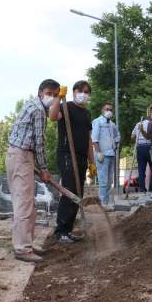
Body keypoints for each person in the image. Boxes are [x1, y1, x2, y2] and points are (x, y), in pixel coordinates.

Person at [6, 79, 59, 262]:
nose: (51, 97)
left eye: (55, 94)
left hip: (19, 155)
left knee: (29, 204)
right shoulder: (38, 111)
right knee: (24, 204)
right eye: (49, 93)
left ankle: (26, 243)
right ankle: (22, 249)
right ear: (40, 92)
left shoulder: (32, 105)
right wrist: (43, 169)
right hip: (21, 156)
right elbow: (40, 142)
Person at [49, 80, 96, 242]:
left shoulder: (87, 113)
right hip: (67, 155)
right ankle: (60, 231)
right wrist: (57, 98)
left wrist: (92, 162)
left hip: (82, 157)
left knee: (78, 194)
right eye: (80, 91)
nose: (83, 94)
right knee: (70, 192)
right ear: (74, 92)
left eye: (86, 92)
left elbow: (89, 140)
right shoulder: (66, 106)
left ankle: (67, 230)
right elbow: (53, 117)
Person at [92, 103, 120, 208]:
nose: (109, 111)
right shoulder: (97, 122)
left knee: (109, 181)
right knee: (103, 181)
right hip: (102, 155)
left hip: (111, 154)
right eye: (107, 109)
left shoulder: (112, 124)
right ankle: (103, 202)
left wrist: (116, 146)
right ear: (102, 110)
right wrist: (98, 152)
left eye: (111, 110)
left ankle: (107, 201)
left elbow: (117, 136)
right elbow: (94, 139)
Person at [131, 118, 152, 194]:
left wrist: (138, 137)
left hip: (140, 148)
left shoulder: (138, 124)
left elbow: (132, 137)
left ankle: (142, 189)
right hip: (151, 147)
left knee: (141, 170)